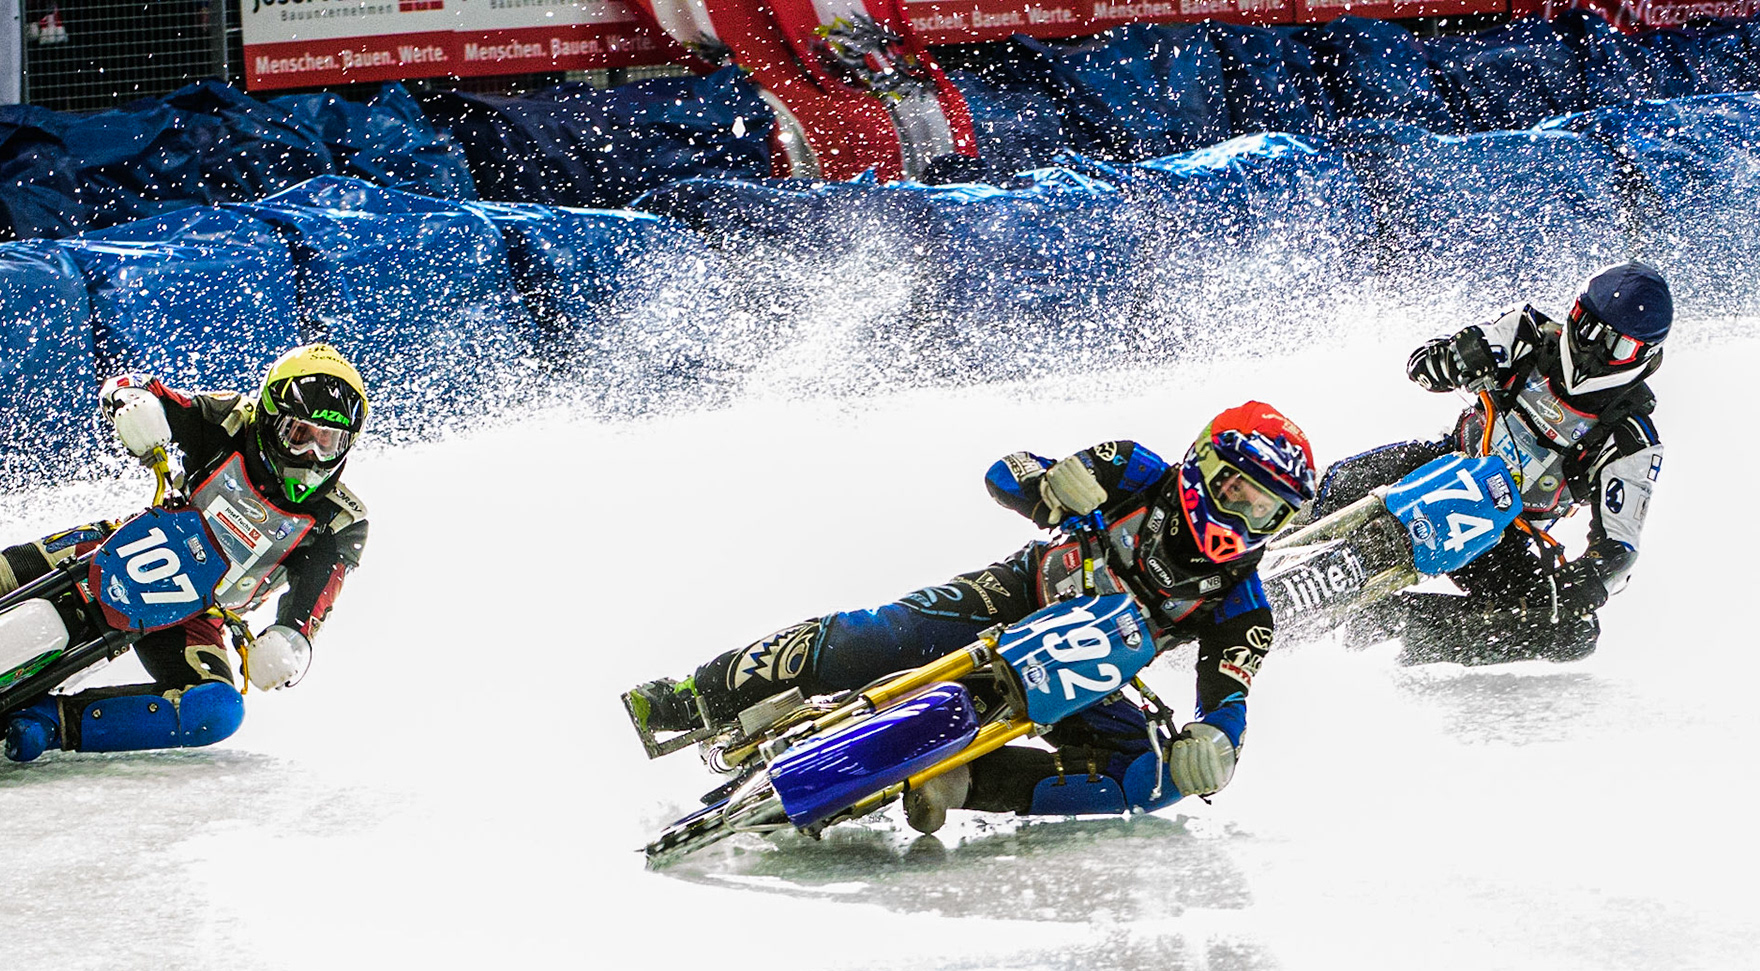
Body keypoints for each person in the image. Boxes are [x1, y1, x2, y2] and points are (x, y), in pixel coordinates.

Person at [627, 402, 1317, 832]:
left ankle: (956, 782)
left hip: (1094, 671)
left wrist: (1213, 747)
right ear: (1201, 464)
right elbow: (1006, 470)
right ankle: (695, 694)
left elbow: (1230, 701)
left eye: (1265, 511)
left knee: (1150, 780)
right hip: (1017, 593)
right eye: (1237, 492)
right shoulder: (1135, 469)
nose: (1241, 518)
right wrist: (1049, 486)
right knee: (882, 634)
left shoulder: (1244, 606)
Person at [0, 343, 371, 761]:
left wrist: (287, 648)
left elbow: (308, 613)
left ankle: (53, 724)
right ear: (270, 418)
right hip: (132, 541)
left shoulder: (341, 521)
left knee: (219, 711)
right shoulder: (230, 418)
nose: (311, 453)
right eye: (300, 433)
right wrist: (135, 407)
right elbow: (139, 390)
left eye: (329, 441)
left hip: (199, 613)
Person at [1313, 261, 1670, 665]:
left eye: (1615, 346)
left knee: (1574, 632)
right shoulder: (1527, 333)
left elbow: (1620, 548)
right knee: (1344, 480)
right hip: (1440, 462)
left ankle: (1395, 625)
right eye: (1584, 325)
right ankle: (1285, 532)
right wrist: (1453, 358)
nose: (1590, 349)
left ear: (1645, 354)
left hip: (1500, 537)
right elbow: (1424, 365)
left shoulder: (1631, 440)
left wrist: (1585, 580)